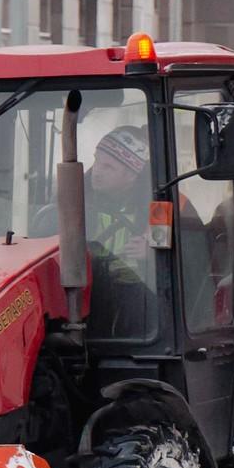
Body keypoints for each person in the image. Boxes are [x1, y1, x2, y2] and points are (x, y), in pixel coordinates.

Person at [86, 125, 152, 336]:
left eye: (108, 167)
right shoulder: (75, 199)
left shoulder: (158, 204)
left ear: (132, 175)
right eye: (97, 161)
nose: (97, 171)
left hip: (140, 296)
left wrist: (153, 253)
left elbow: (187, 252)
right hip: (88, 289)